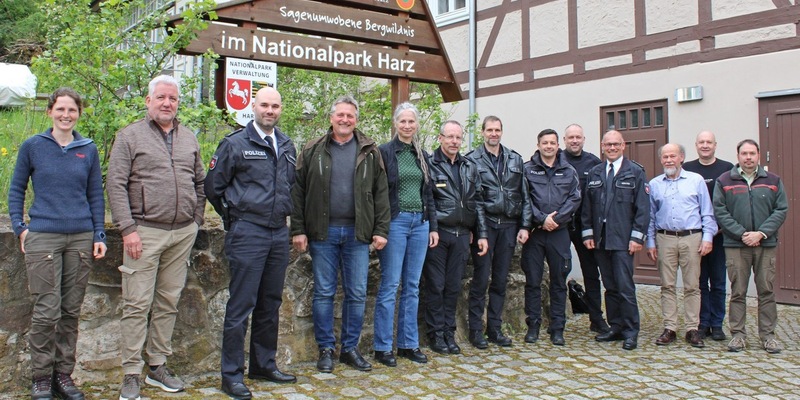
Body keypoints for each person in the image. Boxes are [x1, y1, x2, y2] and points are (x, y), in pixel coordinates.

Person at [107, 75, 206, 400]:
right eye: (161, 97)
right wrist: (128, 229)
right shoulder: (129, 136)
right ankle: (131, 373)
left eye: (173, 98)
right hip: (143, 233)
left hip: (181, 233)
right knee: (136, 305)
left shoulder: (189, 137)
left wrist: (196, 220)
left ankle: (157, 366)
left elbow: (201, 183)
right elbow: (115, 185)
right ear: (148, 101)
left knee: (167, 303)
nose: (167, 103)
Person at [8, 88, 107, 400]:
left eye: (72, 110)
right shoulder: (33, 147)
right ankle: (40, 377)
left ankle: (63, 376)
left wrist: (99, 234)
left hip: (80, 237)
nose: (66, 115)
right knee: (46, 311)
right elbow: (16, 189)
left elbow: (95, 195)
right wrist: (19, 228)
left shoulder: (87, 149)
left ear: (78, 113)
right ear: (50, 110)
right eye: (61, 109)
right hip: (43, 237)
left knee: (69, 311)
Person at [205, 87, 297, 400]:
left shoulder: (286, 144)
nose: (270, 111)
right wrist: (235, 220)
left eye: (275, 106)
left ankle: (263, 364)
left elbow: (289, 187)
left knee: (270, 303)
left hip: (277, 234)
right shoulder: (235, 144)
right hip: (248, 233)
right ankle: (231, 375)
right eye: (264, 105)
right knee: (241, 305)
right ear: (253, 107)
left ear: (280, 109)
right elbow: (213, 188)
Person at [291, 95, 390, 373]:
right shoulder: (312, 149)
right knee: (323, 292)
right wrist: (298, 229)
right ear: (331, 118)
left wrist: (381, 230)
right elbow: (297, 192)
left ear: (356, 120)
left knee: (357, 293)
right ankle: (325, 349)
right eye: (340, 115)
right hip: (323, 232)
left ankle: (349, 349)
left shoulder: (370, 151)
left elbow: (381, 193)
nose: (345, 120)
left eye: (350, 116)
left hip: (358, 234)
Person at [372, 102, 437, 367]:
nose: (407, 126)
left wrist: (433, 225)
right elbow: (376, 193)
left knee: (412, 286)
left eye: (412, 122)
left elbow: (429, 193)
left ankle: (408, 344)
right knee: (390, 285)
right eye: (403, 121)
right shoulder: (384, 152)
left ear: (416, 124)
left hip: (419, 224)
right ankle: (382, 346)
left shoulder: (421, 154)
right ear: (396, 124)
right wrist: (380, 227)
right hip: (395, 224)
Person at [713, 139, 788, 354]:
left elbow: (781, 209)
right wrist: (742, 234)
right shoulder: (724, 180)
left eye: (752, 153)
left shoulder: (773, 180)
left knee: (766, 290)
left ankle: (768, 336)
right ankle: (738, 335)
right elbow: (720, 210)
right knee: (738, 291)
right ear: (738, 156)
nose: (748, 157)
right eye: (744, 153)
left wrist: (761, 233)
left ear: (758, 155)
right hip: (736, 245)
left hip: (766, 243)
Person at [464, 116, 531, 349]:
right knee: (481, 280)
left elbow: (524, 195)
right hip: (487, 225)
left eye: (497, 130)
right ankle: (475, 330)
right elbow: (473, 201)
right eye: (489, 130)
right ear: (482, 132)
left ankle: (494, 328)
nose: (494, 134)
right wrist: (478, 230)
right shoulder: (472, 160)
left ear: (502, 132)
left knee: (500, 281)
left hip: (509, 227)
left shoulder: (515, 159)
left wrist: (525, 225)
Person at [423, 120, 488, 355]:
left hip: (463, 236)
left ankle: (450, 333)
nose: (453, 142)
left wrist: (481, 234)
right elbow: (428, 202)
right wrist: (432, 227)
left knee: (452, 287)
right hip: (439, 235)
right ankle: (435, 334)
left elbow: (477, 202)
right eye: (449, 137)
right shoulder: (430, 164)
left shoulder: (469, 166)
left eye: (458, 138)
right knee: (436, 286)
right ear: (440, 138)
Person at [581, 130, 649, 351]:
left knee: (625, 287)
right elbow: (587, 207)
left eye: (615, 144)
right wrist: (588, 234)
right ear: (602, 146)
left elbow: (642, 209)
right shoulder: (595, 173)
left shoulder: (635, 172)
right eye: (607, 144)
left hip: (623, 240)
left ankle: (631, 331)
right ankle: (616, 327)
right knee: (609, 287)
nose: (611, 148)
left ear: (623, 146)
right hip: (601, 240)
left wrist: (637, 237)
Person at [646, 143, 717, 348]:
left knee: (692, 286)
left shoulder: (696, 181)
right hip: (665, 238)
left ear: (681, 158)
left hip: (691, 238)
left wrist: (708, 238)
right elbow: (650, 216)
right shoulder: (655, 184)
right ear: (661, 160)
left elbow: (707, 212)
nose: (669, 160)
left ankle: (692, 328)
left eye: (673, 156)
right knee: (667, 285)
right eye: (665, 157)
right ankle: (670, 327)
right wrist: (650, 242)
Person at [520, 129, 580, 346]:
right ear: (538, 145)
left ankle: (557, 328)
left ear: (558, 145)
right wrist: (541, 219)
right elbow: (524, 198)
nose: (548, 146)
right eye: (545, 143)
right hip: (536, 233)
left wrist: (556, 219)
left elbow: (574, 198)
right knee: (533, 282)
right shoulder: (527, 170)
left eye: (552, 143)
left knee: (558, 282)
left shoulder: (568, 170)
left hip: (559, 233)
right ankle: (533, 325)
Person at [683, 131, 733, 341]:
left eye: (709, 142)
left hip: (720, 235)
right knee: (699, 282)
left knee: (719, 281)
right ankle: (702, 323)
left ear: (715, 145)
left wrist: (718, 228)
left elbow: (732, 202)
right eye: (701, 142)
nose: (705, 145)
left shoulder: (728, 169)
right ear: (696, 145)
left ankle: (717, 323)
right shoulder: (688, 169)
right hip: (696, 235)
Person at [562, 123, 609, 335]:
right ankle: (557, 318)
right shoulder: (557, 160)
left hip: (585, 226)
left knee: (591, 272)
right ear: (565, 140)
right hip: (561, 225)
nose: (574, 140)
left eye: (578, 137)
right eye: (570, 137)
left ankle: (596, 318)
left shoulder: (594, 163)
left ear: (583, 139)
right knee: (559, 271)